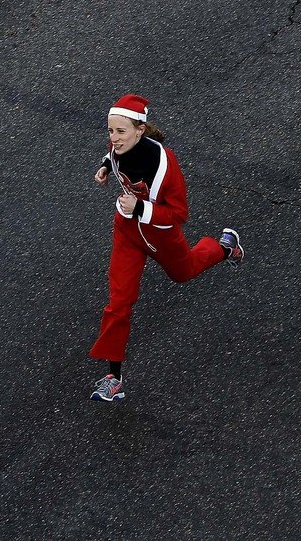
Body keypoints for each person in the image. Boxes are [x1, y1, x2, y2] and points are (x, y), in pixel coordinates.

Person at [88, 93, 244, 402]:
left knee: (183, 272)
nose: (114, 138)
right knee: (118, 303)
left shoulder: (163, 163)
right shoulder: (119, 146)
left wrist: (140, 208)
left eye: (120, 132)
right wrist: (105, 167)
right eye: (110, 131)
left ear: (140, 131)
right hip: (128, 233)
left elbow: (179, 213)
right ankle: (113, 377)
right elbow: (114, 156)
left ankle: (225, 246)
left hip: (161, 235)